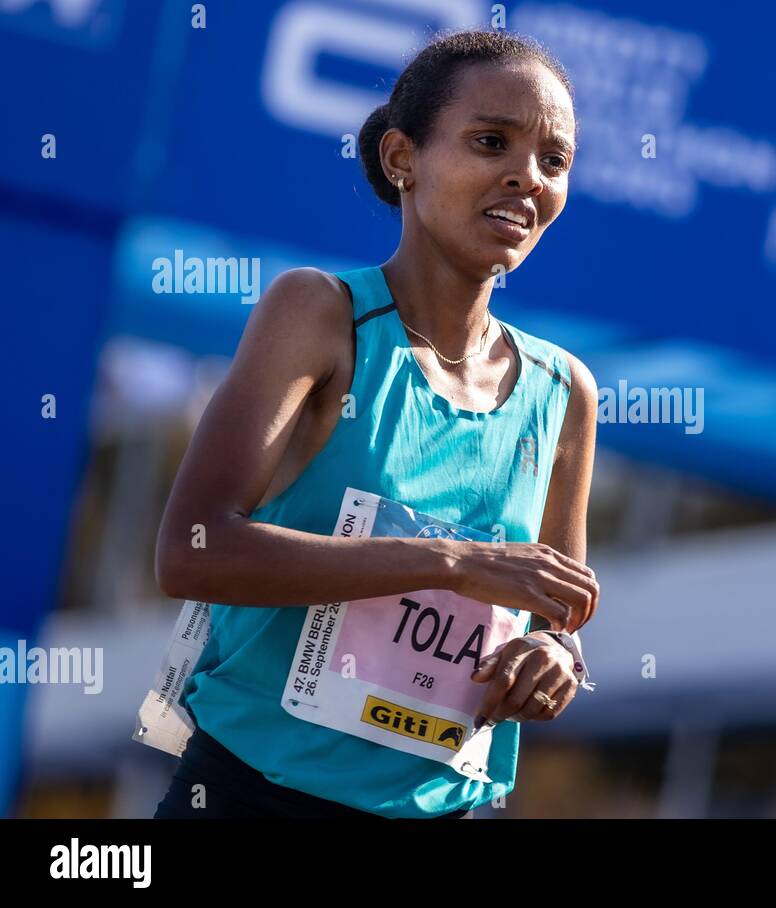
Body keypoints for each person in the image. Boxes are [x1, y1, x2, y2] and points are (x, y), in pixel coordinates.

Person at [151, 30, 599, 819]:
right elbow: (192, 552)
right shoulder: (320, 315)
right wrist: (452, 562)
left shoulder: (565, 392)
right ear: (403, 159)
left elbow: (553, 619)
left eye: (553, 161)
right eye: (491, 141)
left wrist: (554, 658)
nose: (526, 177)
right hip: (254, 797)